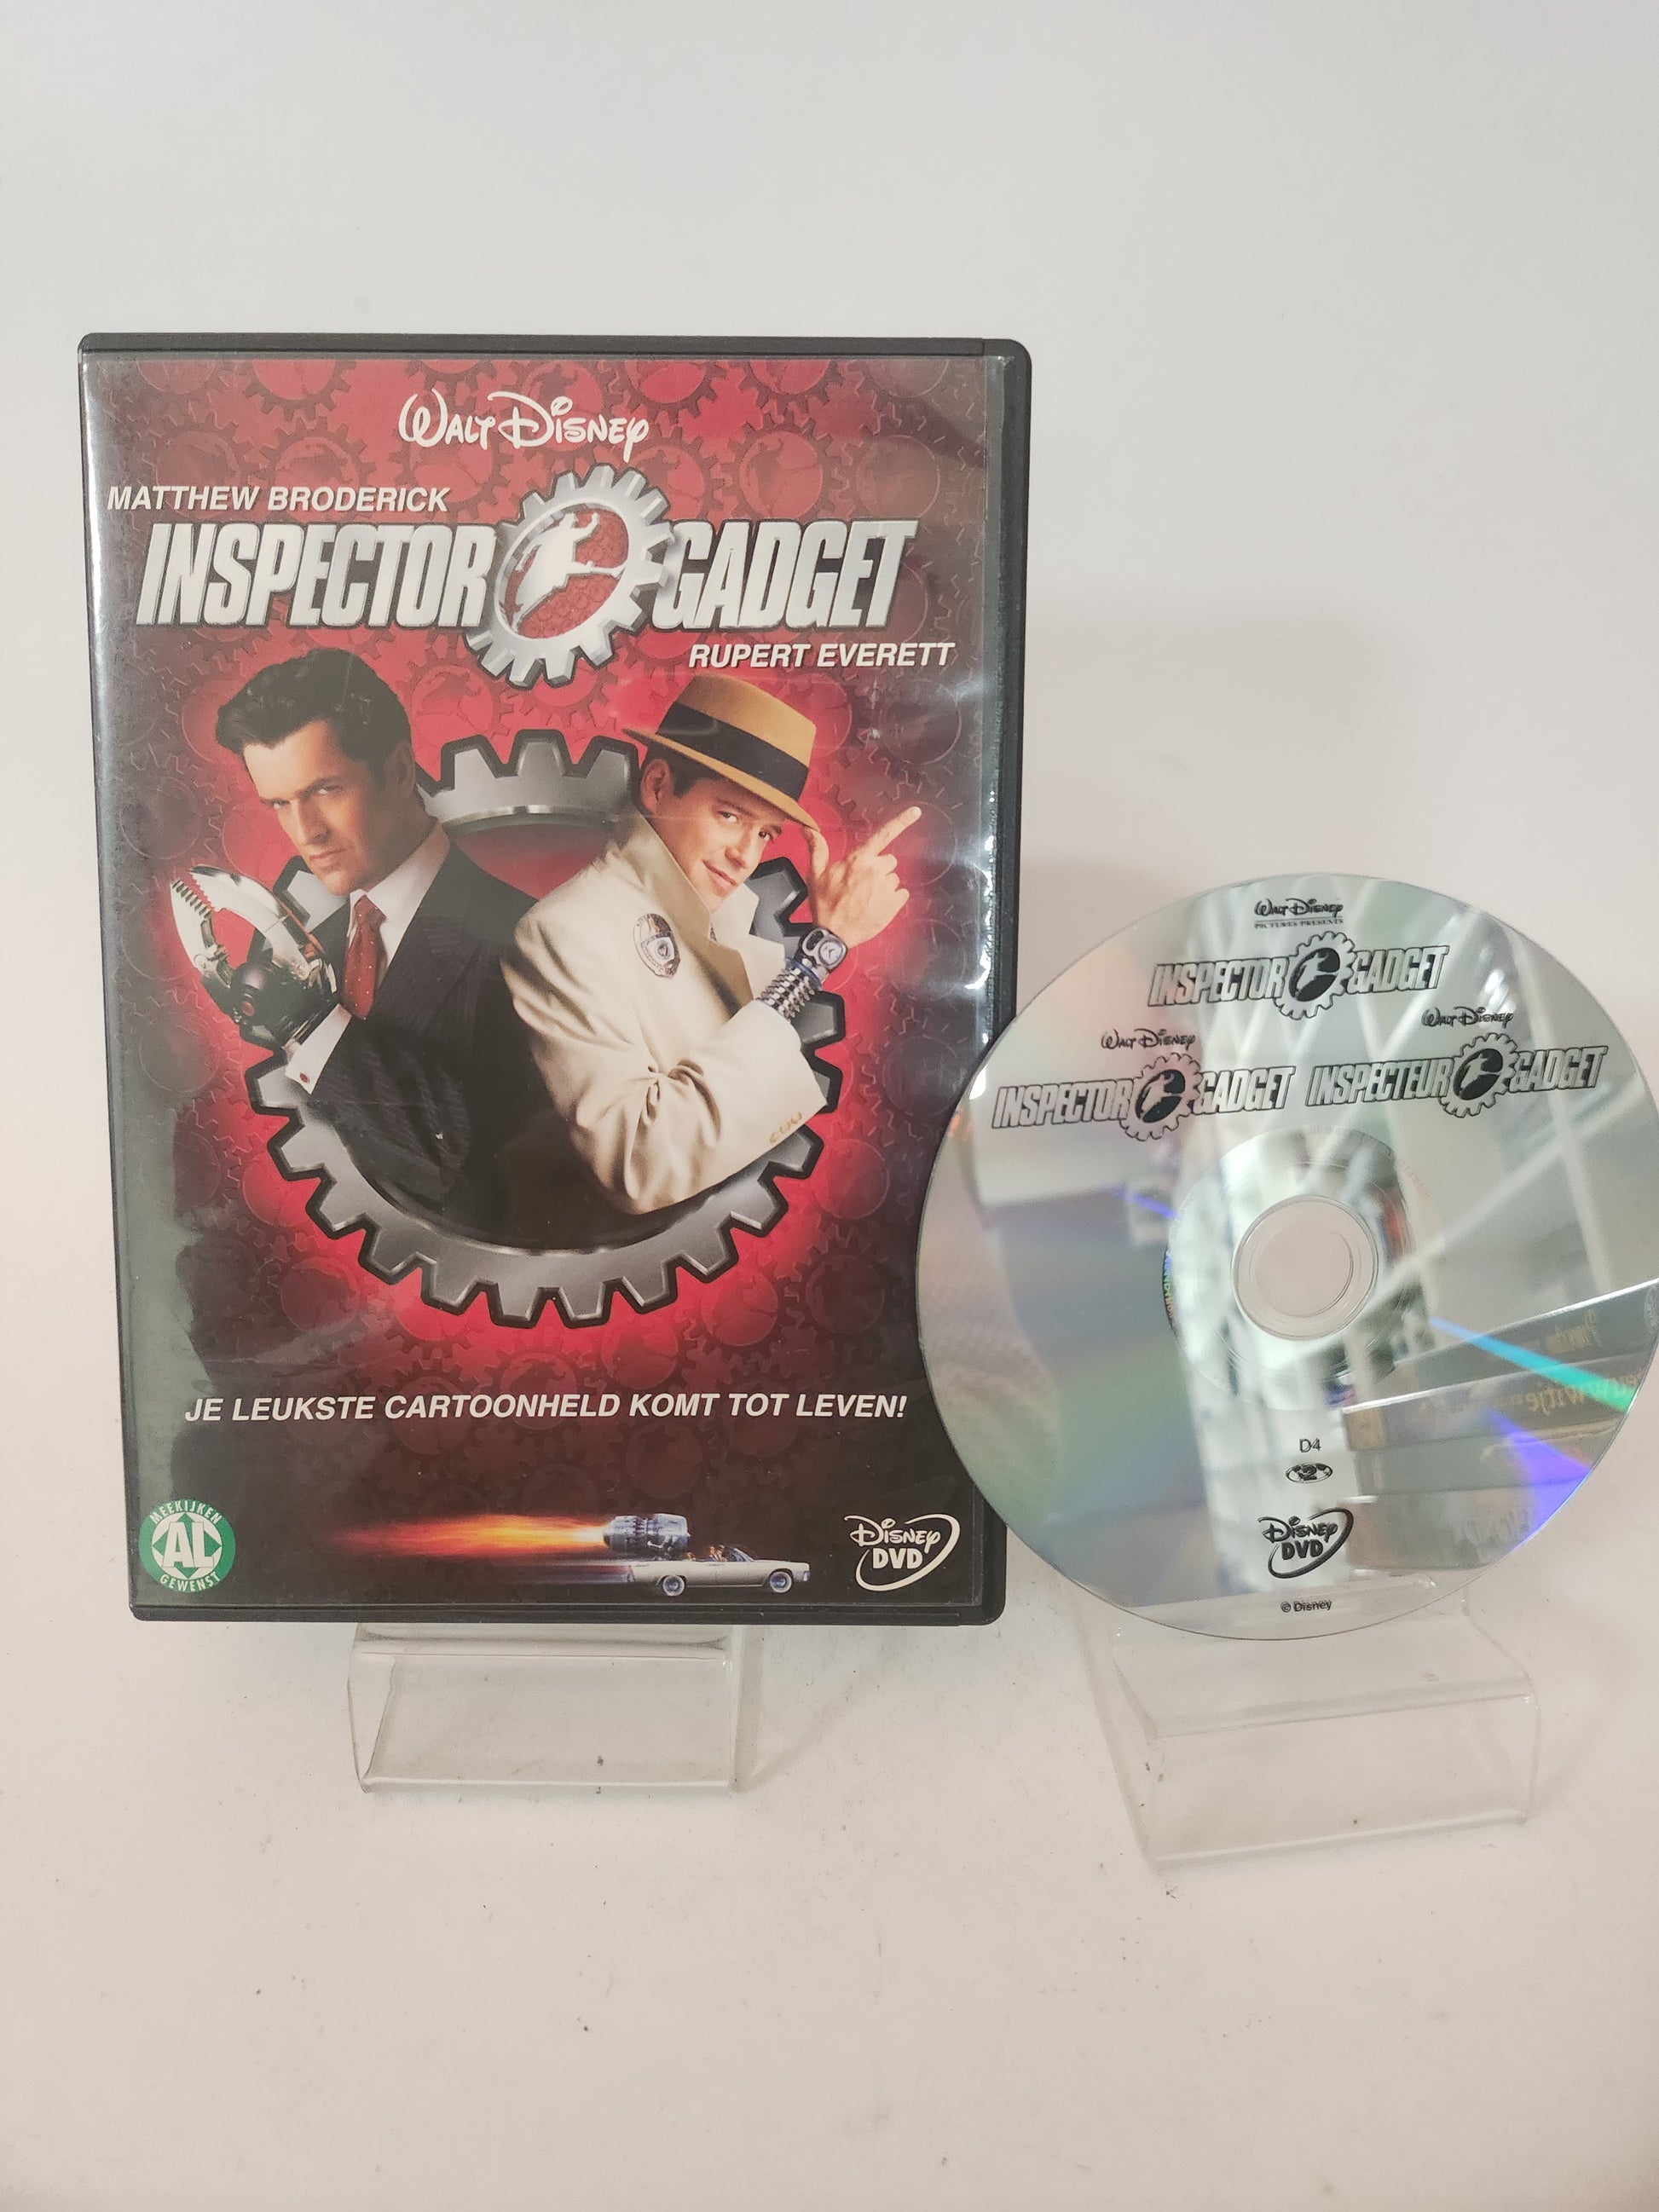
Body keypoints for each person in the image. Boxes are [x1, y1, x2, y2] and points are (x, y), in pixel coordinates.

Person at [503, 673, 917, 1233]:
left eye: (765, 833)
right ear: (657, 786)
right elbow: (637, 1161)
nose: (746, 854)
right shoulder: (563, 931)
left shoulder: (726, 925)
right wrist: (818, 954)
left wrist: (820, 941)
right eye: (730, 815)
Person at [215, 648, 544, 1239]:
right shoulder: (314, 955)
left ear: (398, 770)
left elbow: (469, 1169)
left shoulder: (528, 938)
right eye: (280, 804)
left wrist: (312, 1028)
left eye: (326, 790)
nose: (306, 832)